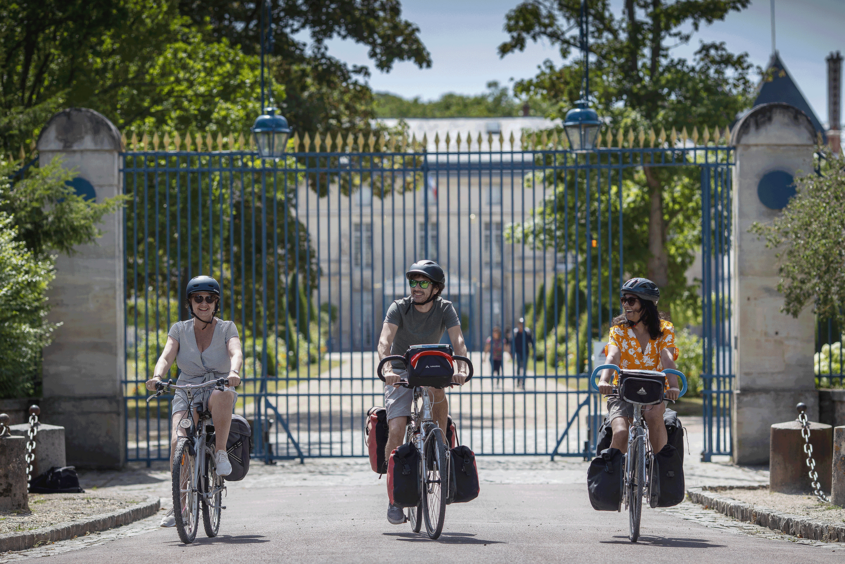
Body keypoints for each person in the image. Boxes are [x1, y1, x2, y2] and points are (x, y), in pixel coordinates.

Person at [145, 275, 243, 527]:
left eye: (209, 299)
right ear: (190, 302)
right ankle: (180, 504)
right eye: (198, 298)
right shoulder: (179, 329)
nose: (204, 303)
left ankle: (220, 453)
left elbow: (236, 351)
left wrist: (233, 372)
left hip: (217, 385)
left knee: (223, 394)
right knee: (179, 440)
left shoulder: (227, 328)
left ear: (216, 302)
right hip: (187, 388)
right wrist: (158, 376)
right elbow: (166, 356)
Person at [377, 260, 470, 525]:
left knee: (438, 392)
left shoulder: (445, 308)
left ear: (436, 288)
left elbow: (459, 341)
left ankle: (439, 449)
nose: (416, 287)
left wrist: (461, 367)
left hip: (430, 367)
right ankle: (394, 497)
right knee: (396, 427)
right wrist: (387, 370)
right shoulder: (399, 307)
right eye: (413, 282)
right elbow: (385, 340)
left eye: (423, 283)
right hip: (400, 370)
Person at [597, 278, 680, 455]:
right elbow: (612, 355)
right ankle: (616, 478)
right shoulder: (618, 330)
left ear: (647, 305)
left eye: (631, 300)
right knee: (620, 432)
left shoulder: (665, 329)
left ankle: (660, 470)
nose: (626, 305)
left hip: (654, 391)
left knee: (653, 417)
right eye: (624, 300)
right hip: (622, 392)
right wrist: (604, 380)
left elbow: (667, 358)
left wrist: (673, 385)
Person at [512, 317, 534, 388]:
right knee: (518, 367)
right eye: (520, 323)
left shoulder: (527, 332)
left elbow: (531, 342)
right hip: (518, 352)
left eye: (522, 324)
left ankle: (523, 383)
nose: (521, 325)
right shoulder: (516, 332)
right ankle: (518, 382)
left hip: (525, 352)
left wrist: (533, 350)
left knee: (524, 368)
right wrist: (512, 352)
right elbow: (512, 343)